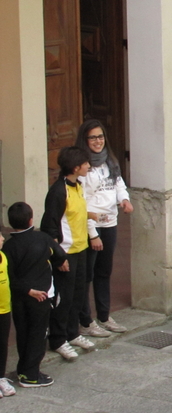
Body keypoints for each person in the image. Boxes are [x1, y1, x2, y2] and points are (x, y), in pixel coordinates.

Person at [74, 119, 134, 337]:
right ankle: (86, 321)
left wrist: (124, 200)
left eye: (100, 137)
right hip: (91, 226)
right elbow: (82, 203)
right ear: (85, 139)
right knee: (87, 275)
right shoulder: (82, 166)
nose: (98, 141)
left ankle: (104, 316)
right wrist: (92, 234)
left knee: (104, 272)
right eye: (93, 137)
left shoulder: (110, 160)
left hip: (110, 222)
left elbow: (118, 183)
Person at [41, 146, 97, 360]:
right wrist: (59, 257)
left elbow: (77, 214)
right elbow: (50, 227)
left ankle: (72, 333)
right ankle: (57, 339)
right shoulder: (57, 192)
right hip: (66, 253)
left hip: (81, 248)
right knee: (63, 299)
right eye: (85, 164)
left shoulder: (78, 186)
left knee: (78, 295)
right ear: (75, 167)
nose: (88, 166)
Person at [3, 202, 68, 388]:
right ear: (31, 219)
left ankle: (23, 369)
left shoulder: (8, 247)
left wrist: (25, 290)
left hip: (18, 298)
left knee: (23, 333)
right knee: (38, 335)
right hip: (40, 296)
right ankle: (31, 375)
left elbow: (9, 276)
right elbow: (60, 255)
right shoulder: (43, 239)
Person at [0, 232, 13, 397]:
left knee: (2, 343)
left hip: (5, 308)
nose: (3, 238)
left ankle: (1, 376)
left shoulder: (3, 256)